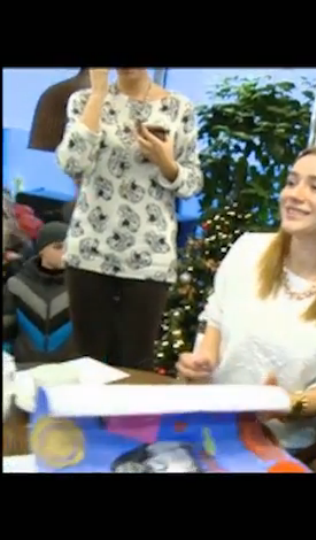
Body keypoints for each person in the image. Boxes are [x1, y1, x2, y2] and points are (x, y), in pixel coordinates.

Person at [176, 145, 316, 453]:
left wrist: (289, 404)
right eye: (292, 182)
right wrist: (203, 362)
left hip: (280, 448)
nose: (294, 194)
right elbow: (215, 316)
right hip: (206, 427)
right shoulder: (248, 249)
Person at [55, 68, 203, 370]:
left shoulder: (179, 107)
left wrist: (166, 162)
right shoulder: (83, 100)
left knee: (136, 362)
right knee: (86, 362)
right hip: (90, 250)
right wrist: (98, 94)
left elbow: (192, 184)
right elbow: (72, 162)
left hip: (149, 256)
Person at [3, 222, 78, 364]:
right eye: (58, 247)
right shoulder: (17, 285)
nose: (65, 253)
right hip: (25, 370)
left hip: (71, 370)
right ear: (41, 250)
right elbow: (6, 331)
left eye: (69, 247)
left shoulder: (80, 288)